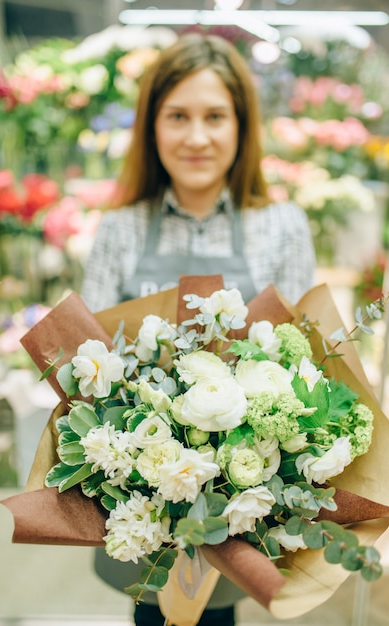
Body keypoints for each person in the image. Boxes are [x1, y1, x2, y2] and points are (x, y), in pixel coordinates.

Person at [81, 32, 316, 626]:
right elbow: (84, 366)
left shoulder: (284, 227)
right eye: (177, 115)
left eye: (215, 116)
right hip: (137, 491)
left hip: (243, 495)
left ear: (242, 125)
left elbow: (302, 364)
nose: (196, 137)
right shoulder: (119, 230)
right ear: (151, 125)